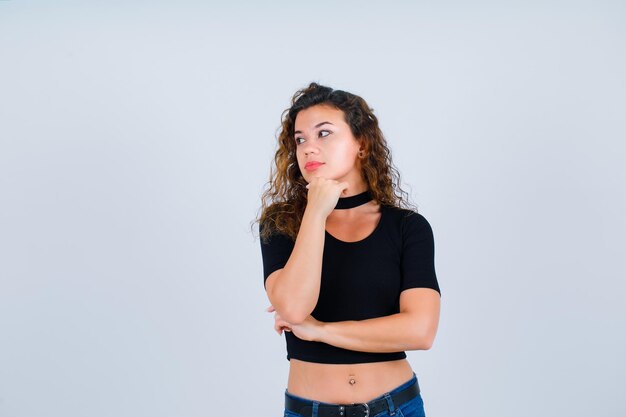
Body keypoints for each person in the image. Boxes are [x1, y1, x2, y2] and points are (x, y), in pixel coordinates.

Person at [257, 82, 441, 417]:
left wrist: (320, 331)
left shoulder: (407, 228)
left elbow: (420, 330)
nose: (309, 148)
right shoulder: (281, 224)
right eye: (300, 139)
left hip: (395, 407)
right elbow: (295, 308)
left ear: (362, 143)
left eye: (323, 133)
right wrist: (315, 210)